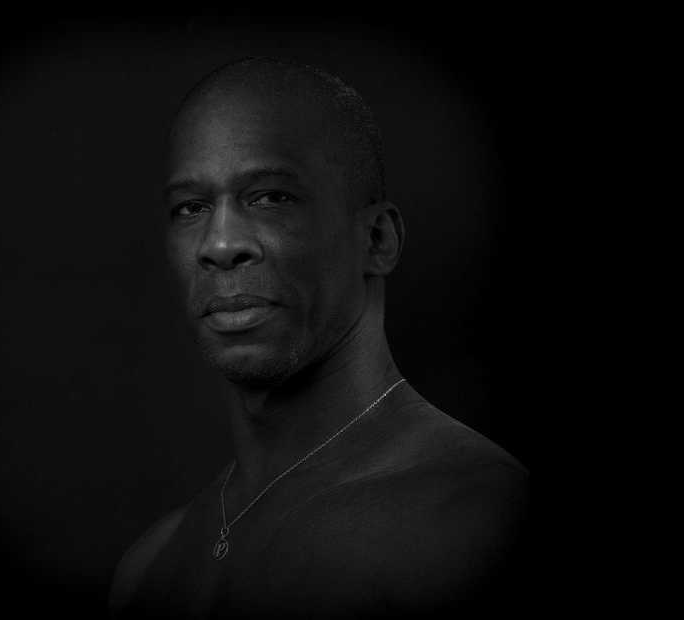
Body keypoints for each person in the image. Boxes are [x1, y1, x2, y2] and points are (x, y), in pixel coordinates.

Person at [108, 57, 529, 618]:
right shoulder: (149, 565)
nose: (220, 244)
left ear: (377, 240)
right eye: (192, 207)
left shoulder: (475, 518)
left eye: (271, 197)